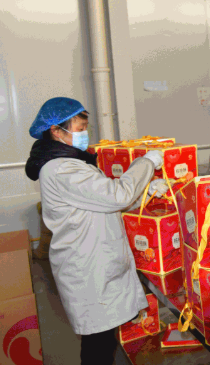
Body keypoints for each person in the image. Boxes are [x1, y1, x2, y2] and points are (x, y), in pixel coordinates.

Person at [25, 97, 169, 365]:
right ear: (56, 131)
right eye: (79, 129)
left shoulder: (73, 163)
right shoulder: (61, 169)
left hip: (96, 262)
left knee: (103, 340)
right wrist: (146, 163)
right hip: (87, 268)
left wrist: (146, 191)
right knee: (97, 346)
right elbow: (117, 195)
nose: (84, 134)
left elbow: (104, 203)